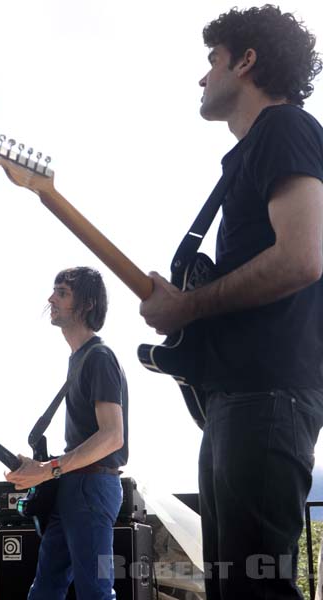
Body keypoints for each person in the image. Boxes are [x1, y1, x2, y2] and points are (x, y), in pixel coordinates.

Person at [140, 5, 323, 599]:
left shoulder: (285, 128)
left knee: (254, 590)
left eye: (211, 61)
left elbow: (302, 258)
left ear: (246, 61)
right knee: (232, 588)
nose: (201, 77)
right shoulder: (245, 155)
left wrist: (187, 308)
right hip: (236, 400)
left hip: (266, 395)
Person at [6, 266, 129, 600]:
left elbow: (112, 436)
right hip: (73, 485)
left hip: (90, 487)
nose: (51, 299)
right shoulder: (79, 360)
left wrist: (48, 470)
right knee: (45, 589)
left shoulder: (99, 358)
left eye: (62, 292)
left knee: (95, 593)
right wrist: (42, 468)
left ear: (86, 304)